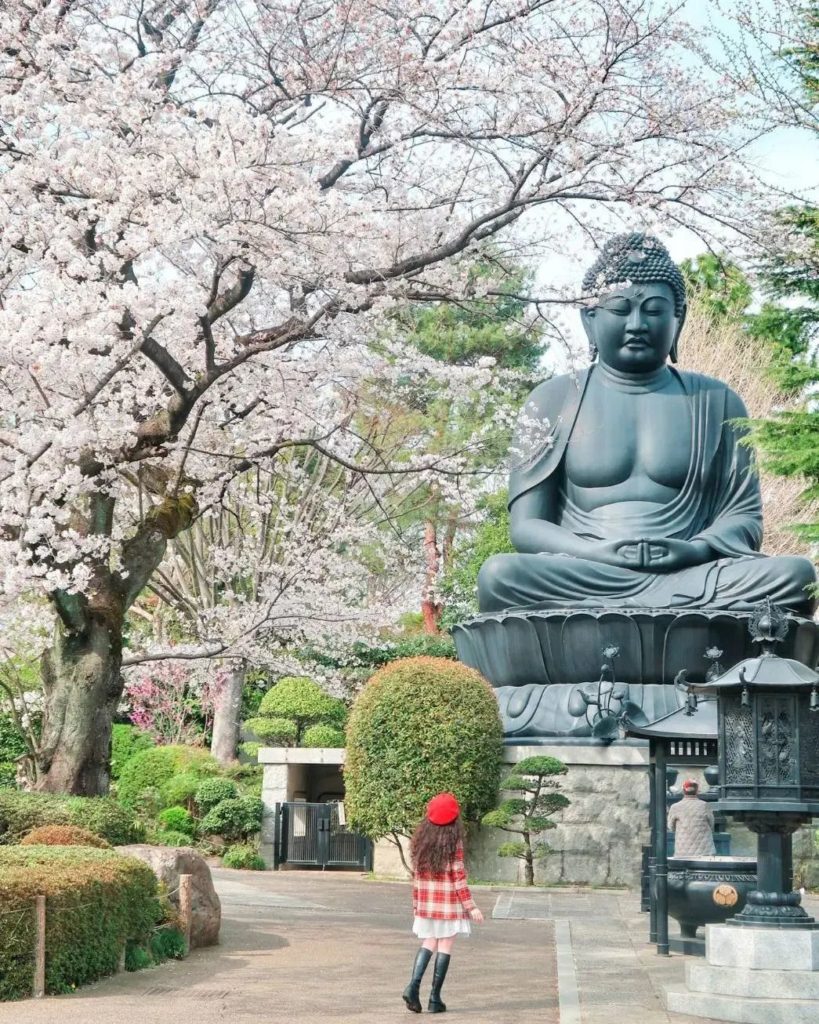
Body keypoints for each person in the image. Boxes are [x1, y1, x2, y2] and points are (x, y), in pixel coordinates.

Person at [476, 232, 816, 616]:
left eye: (653, 310)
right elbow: (526, 527)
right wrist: (594, 551)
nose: (637, 324)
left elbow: (744, 516)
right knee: (500, 574)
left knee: (794, 576)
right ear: (589, 319)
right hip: (586, 571)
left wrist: (696, 548)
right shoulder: (552, 399)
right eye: (620, 309)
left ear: (678, 319)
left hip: (693, 573)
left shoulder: (717, 401)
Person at [402, 792, 484, 1014]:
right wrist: (471, 907)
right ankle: (434, 998)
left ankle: (413, 987)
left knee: (430, 941)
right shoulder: (453, 842)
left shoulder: (420, 842)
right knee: (445, 945)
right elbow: (458, 877)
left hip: (427, 905)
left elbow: (416, 878)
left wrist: (417, 906)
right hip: (448, 905)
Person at [668, 779, 716, 857]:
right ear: (697, 791)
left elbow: (671, 827)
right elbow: (711, 824)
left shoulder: (675, 807)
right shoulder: (705, 805)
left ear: (683, 791)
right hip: (704, 851)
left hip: (682, 851)